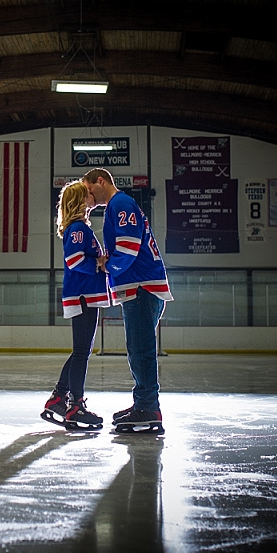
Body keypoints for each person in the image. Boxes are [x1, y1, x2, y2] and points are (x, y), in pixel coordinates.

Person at [81, 168, 173, 433]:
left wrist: (107, 265)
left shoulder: (119, 203)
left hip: (142, 286)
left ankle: (148, 409)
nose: (88, 197)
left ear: (100, 181)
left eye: (88, 190)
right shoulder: (117, 206)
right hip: (140, 286)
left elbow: (129, 247)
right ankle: (142, 403)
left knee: (141, 350)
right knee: (137, 348)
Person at [41, 180, 109, 430]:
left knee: (81, 351)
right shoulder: (78, 228)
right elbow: (74, 260)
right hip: (83, 296)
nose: (92, 197)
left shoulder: (78, 228)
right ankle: (75, 405)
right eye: (87, 195)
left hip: (83, 296)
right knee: (82, 352)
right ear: (80, 201)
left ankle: (60, 397)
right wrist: (99, 264)